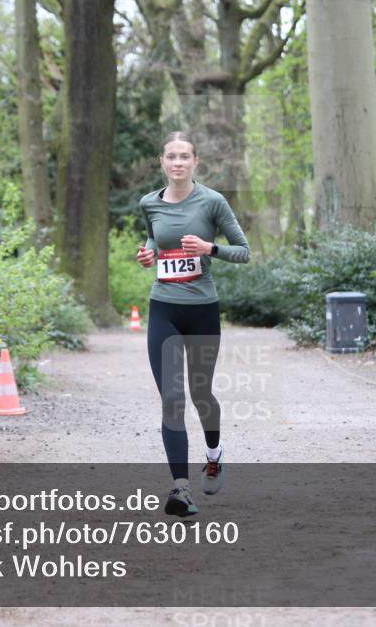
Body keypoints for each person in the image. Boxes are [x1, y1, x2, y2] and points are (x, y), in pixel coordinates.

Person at [137, 131, 250, 517]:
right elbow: (154, 239)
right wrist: (148, 253)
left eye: (185, 156)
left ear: (195, 162)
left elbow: (244, 252)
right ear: (162, 162)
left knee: (201, 396)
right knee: (172, 400)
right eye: (171, 156)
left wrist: (210, 249)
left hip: (202, 309)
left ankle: (214, 454)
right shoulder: (149, 203)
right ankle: (181, 489)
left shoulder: (212, 202)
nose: (178, 162)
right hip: (163, 309)